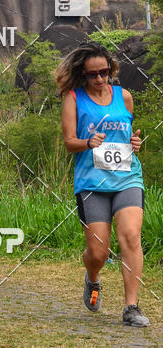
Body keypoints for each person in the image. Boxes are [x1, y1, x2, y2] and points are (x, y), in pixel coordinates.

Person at [57, 43, 149, 328]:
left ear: (112, 70)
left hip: (127, 178)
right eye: (92, 74)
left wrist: (136, 144)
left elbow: (128, 137)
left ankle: (131, 307)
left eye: (104, 72)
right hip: (92, 182)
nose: (99, 79)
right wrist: (88, 142)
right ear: (83, 75)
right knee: (98, 252)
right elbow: (69, 142)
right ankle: (92, 276)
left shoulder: (125, 97)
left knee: (131, 236)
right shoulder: (74, 99)